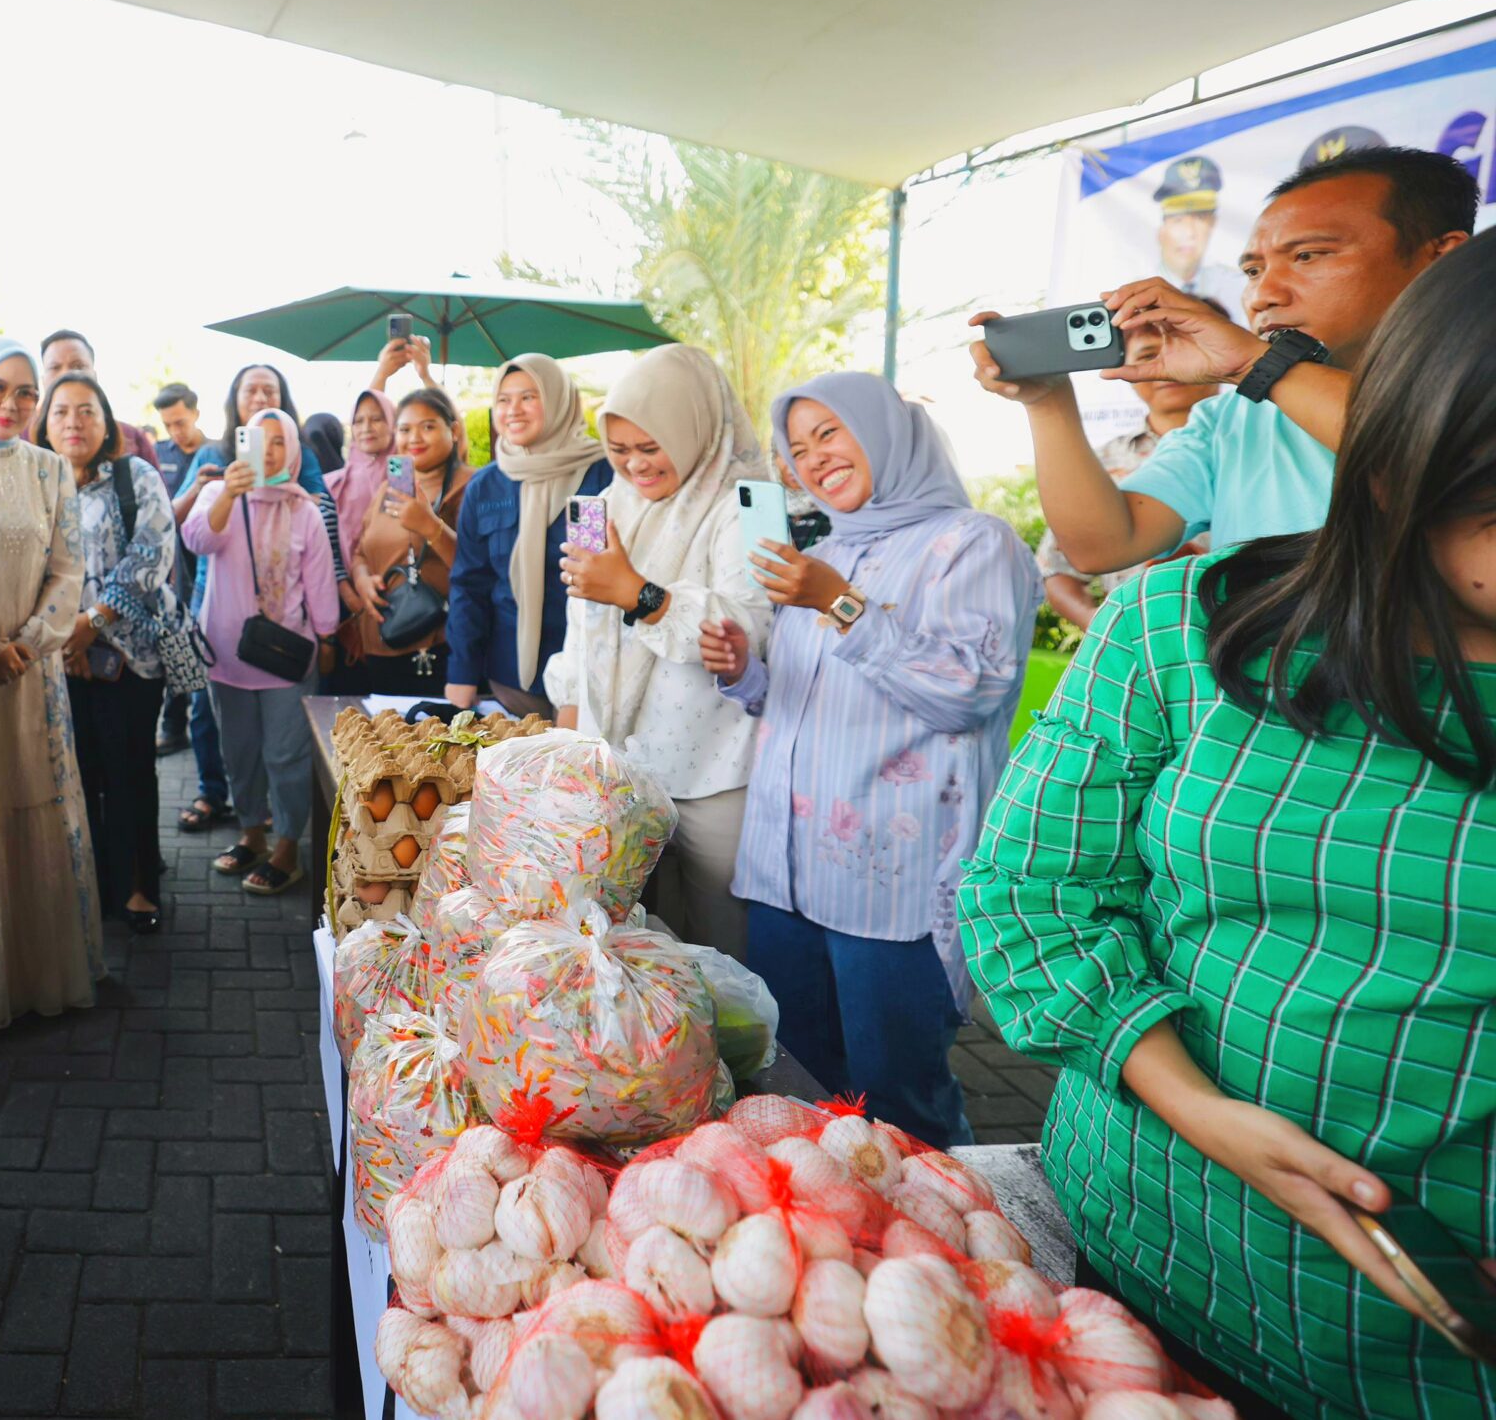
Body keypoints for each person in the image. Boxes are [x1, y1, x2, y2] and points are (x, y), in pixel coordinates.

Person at [960, 230, 1496, 1420]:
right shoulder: (1183, 622)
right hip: (1139, 1260)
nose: (1268, 281)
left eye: (1308, 252)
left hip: (1416, 1369)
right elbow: (1029, 892)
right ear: (1410, 456)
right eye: (1259, 257)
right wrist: (1193, 1104)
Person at [696, 372, 1038, 1147]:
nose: (814, 458)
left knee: (898, 1104)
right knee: (805, 1084)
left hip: (887, 886)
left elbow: (968, 690)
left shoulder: (974, 542)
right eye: (798, 446)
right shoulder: (824, 551)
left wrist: (837, 602)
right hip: (786, 871)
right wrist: (744, 669)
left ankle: (937, 1256)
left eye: (831, 433)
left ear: (886, 431)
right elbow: (801, 698)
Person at [974, 145, 1476, 573]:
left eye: (1308, 256)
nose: (1264, 295)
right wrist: (1048, 402)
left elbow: (1432, 456)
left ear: (1443, 258)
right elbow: (1104, 545)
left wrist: (1254, 366)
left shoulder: (1480, 389)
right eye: (1254, 270)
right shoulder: (1231, 419)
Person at [546, 347, 769, 961]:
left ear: (694, 427)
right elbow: (581, 620)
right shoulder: (600, 505)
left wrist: (640, 596)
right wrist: (567, 724)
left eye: (651, 447)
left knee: (725, 945)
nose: (635, 466)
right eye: (620, 450)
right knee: (631, 944)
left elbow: (753, 627)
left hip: (713, 771)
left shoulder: (750, 506)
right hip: (615, 766)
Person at [0, 336, 102, 1025]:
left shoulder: (50, 471)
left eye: (23, 391)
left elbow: (69, 569)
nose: (11, 403)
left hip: (33, 673)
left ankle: (40, 975)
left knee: (35, 797)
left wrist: (29, 642)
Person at [183, 406, 339, 895]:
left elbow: (320, 594)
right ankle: (251, 835)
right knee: (240, 754)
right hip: (227, 659)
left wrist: (329, 636)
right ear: (241, 443)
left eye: (278, 442)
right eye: (258, 439)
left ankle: (287, 849)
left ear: (292, 450)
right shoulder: (217, 492)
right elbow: (196, 539)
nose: (268, 450)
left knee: (286, 757)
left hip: (287, 661)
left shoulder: (304, 509)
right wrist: (229, 492)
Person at [42, 370, 177, 933]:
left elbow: (152, 554)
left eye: (87, 411)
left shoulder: (135, 476)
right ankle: (95, 886)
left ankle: (141, 886)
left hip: (130, 657)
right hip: (57, 658)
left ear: (107, 421)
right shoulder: (36, 481)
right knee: (78, 776)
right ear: (44, 422)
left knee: (130, 775)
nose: (74, 422)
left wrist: (91, 622)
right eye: (61, 411)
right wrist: (63, 633)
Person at [445, 352, 612, 716]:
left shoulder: (602, 476)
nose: (513, 410)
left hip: (591, 681)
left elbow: (605, 581)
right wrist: (462, 673)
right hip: (511, 685)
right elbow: (469, 585)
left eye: (528, 397)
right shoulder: (486, 485)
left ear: (558, 400)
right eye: (503, 400)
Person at [1032, 313, 1221, 633]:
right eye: (1148, 355)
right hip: (1144, 650)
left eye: (1179, 348)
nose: (1167, 365)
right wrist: (1103, 627)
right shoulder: (1097, 463)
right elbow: (1058, 568)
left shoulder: (1266, 440)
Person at [339, 385, 473, 695]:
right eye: (405, 429)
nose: (414, 438)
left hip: (436, 647)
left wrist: (431, 527)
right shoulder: (391, 488)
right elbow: (361, 550)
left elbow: (479, 570)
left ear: (453, 431)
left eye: (428, 427)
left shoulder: (472, 486)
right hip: (380, 641)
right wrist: (362, 580)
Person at [151, 380, 210, 752]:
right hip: (171, 568)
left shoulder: (217, 454)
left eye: (180, 422)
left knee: (205, 647)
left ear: (196, 413)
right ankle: (174, 727)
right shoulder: (158, 454)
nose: (175, 431)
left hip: (206, 562)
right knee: (174, 643)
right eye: (168, 424)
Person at [1149, 153, 1246, 318]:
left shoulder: (1240, 286)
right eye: (1178, 220)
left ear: (1213, 224)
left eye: (1200, 219)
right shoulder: (1138, 294)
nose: (1189, 232)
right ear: (1161, 231)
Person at [38, 326, 152, 458]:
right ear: (43, 380)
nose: (66, 374)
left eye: (78, 366)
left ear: (94, 375)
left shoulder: (133, 441)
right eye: (55, 367)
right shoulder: (18, 440)